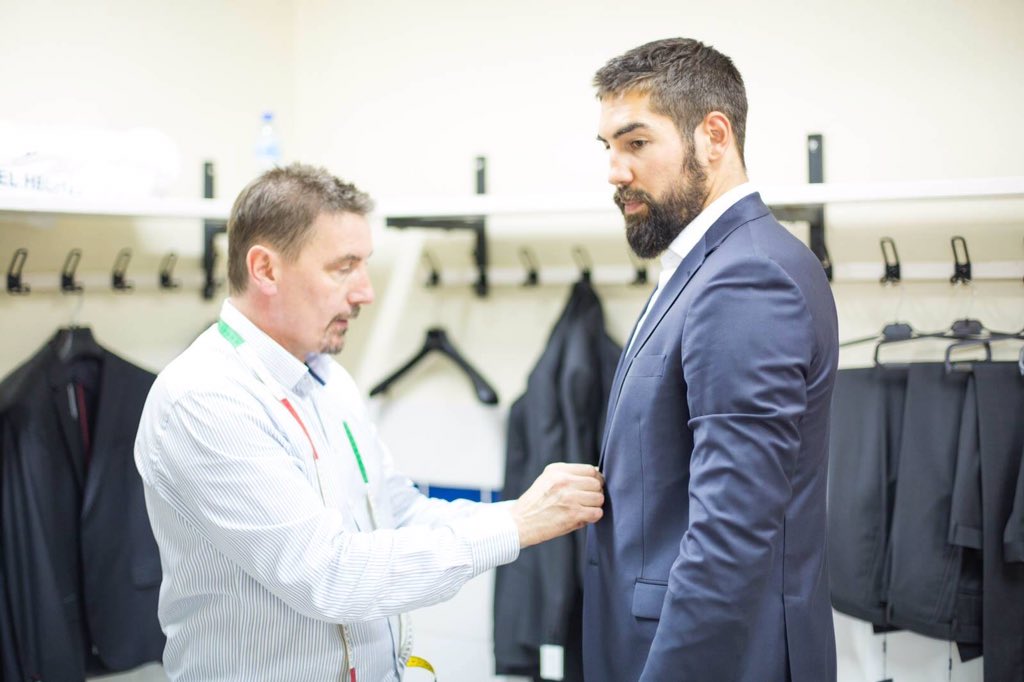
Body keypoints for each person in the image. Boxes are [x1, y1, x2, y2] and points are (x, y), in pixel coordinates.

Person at [134, 163, 605, 681]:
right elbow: (328, 575)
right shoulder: (206, 399)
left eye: (365, 266)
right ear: (265, 269)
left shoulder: (327, 380)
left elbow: (397, 513)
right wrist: (514, 525)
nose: (365, 292)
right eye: (344, 267)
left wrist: (528, 511)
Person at [582, 38, 839, 681]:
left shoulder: (747, 277)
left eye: (636, 143)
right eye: (608, 146)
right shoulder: (706, 266)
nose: (614, 171)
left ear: (713, 136)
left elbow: (731, 532)